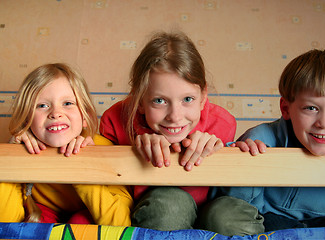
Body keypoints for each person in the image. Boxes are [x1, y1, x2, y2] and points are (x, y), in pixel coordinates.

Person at [99, 31, 264, 235]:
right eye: (159, 101)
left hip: (210, 211)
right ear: (139, 100)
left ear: (203, 96)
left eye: (187, 99)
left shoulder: (222, 124)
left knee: (226, 215)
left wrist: (231, 149)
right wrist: (134, 149)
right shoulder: (115, 121)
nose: (175, 117)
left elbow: (228, 186)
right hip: (155, 212)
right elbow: (103, 186)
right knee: (169, 204)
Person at [209, 48, 325, 232]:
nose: (324, 123)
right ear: (286, 108)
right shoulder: (261, 140)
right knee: (222, 214)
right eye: (311, 108)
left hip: (324, 220)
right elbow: (231, 200)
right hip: (267, 218)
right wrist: (245, 163)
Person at [0, 63, 132, 226]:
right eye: (42, 105)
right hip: (43, 216)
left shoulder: (105, 149)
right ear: (27, 120)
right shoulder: (25, 151)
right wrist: (11, 158)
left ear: (85, 116)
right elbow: (6, 224)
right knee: (35, 223)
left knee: (79, 221)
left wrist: (81, 169)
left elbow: (121, 226)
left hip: (89, 217)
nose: (55, 113)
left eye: (68, 103)